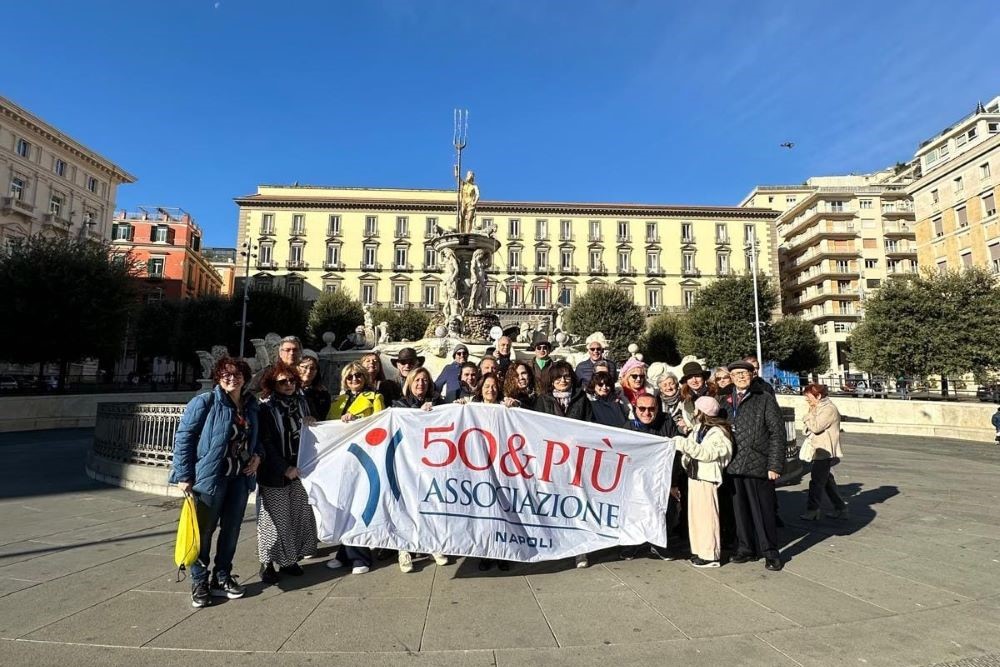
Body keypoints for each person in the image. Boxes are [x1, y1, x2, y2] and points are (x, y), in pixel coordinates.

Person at [170, 357, 261, 608]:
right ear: (218, 378)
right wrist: (183, 475)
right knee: (204, 532)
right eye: (226, 374)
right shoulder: (205, 401)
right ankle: (199, 580)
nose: (232, 378)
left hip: (239, 478)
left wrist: (258, 457)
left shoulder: (251, 405)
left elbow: (257, 438)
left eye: (237, 374)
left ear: (245, 377)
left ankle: (222, 576)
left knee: (231, 530)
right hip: (210, 477)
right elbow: (184, 438)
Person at [256, 362, 318, 584]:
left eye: (292, 380)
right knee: (273, 519)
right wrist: (284, 467)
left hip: (300, 469)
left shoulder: (303, 403)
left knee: (295, 516)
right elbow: (265, 442)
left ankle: (289, 560)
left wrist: (312, 422)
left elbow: (313, 435)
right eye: (283, 381)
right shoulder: (264, 408)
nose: (289, 384)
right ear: (272, 384)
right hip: (275, 472)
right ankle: (267, 563)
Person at [723, 360, 786, 571]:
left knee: (764, 511)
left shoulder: (764, 399)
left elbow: (777, 433)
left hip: (758, 464)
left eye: (745, 373)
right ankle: (745, 548)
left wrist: (775, 465)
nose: (741, 377)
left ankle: (770, 552)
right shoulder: (725, 400)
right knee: (739, 511)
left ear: (752, 375)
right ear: (731, 377)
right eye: (736, 374)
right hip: (733, 465)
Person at [324, 363, 386, 574]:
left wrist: (356, 420)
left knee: (358, 505)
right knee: (344, 505)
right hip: (342, 459)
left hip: (364, 457)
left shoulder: (375, 398)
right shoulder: (338, 401)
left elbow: (379, 425)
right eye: (349, 377)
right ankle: (344, 553)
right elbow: (329, 427)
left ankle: (361, 557)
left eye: (358, 375)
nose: (354, 379)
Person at [534, 360, 594, 567]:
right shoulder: (543, 400)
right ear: (552, 380)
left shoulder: (581, 399)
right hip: (552, 462)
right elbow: (536, 428)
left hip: (576, 460)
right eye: (558, 376)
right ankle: (556, 544)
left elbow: (590, 426)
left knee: (578, 503)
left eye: (566, 376)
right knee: (554, 503)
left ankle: (580, 550)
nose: (563, 380)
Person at [392, 367, 447, 572]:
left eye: (425, 380)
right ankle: (403, 548)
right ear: (410, 383)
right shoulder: (399, 404)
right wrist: (418, 414)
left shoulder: (439, 404)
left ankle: (431, 544)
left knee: (429, 503)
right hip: (406, 462)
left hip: (431, 463)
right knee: (405, 505)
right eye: (417, 380)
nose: (421, 384)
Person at [675, 396, 733, 568]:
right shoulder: (699, 428)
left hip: (708, 478)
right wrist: (686, 458)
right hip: (694, 476)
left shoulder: (718, 432)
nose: (693, 412)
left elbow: (708, 454)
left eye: (696, 409)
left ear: (704, 412)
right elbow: (693, 447)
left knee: (708, 518)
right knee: (696, 517)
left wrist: (684, 445)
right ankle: (699, 550)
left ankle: (711, 554)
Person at [624, 393, 682, 560]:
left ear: (657, 409)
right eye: (642, 408)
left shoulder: (667, 423)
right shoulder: (628, 427)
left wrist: (673, 483)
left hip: (661, 479)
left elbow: (675, 454)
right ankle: (632, 544)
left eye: (651, 409)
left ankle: (658, 545)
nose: (646, 413)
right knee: (634, 510)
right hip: (636, 480)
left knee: (665, 510)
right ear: (635, 409)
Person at [471, 372, 510, 572]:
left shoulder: (506, 407)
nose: (490, 390)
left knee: (502, 510)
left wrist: (515, 407)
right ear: (480, 388)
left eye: (494, 386)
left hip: (501, 465)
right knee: (484, 511)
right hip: (479, 466)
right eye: (487, 386)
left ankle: (503, 553)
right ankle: (486, 553)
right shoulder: (470, 408)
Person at [800, 384, 848, 520]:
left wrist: (807, 416)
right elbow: (806, 430)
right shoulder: (818, 408)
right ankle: (840, 508)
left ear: (818, 396)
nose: (807, 401)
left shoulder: (828, 409)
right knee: (826, 481)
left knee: (816, 482)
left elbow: (815, 427)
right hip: (819, 450)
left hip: (825, 451)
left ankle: (813, 510)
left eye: (809, 398)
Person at [678, 361, 713, 430]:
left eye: (697, 376)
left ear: (703, 377)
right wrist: (682, 428)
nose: (694, 380)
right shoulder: (683, 398)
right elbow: (679, 420)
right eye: (690, 377)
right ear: (686, 381)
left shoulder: (714, 394)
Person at [297, 351, 331, 420]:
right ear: (297, 368)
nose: (308, 371)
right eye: (305, 367)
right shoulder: (289, 389)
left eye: (312, 368)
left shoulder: (322, 392)